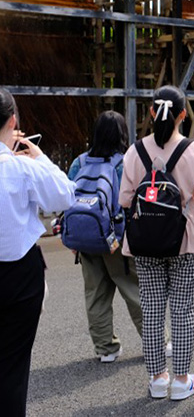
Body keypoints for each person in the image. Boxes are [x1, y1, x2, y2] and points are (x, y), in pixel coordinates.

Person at [119, 86, 194, 400]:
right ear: (183, 115)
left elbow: (124, 199)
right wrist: (187, 196)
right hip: (185, 240)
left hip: (145, 242)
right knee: (183, 312)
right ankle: (181, 380)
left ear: (151, 112)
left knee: (151, 311)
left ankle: (157, 379)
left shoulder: (135, 151)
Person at [0, 88, 75, 417]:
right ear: (13, 121)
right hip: (19, 272)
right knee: (12, 366)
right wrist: (40, 158)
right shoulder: (22, 167)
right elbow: (65, 196)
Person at [66, 111, 143, 362]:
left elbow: (68, 199)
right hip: (117, 239)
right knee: (134, 291)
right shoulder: (125, 162)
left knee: (96, 295)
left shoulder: (79, 163)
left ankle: (106, 349)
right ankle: (157, 342)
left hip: (86, 239)